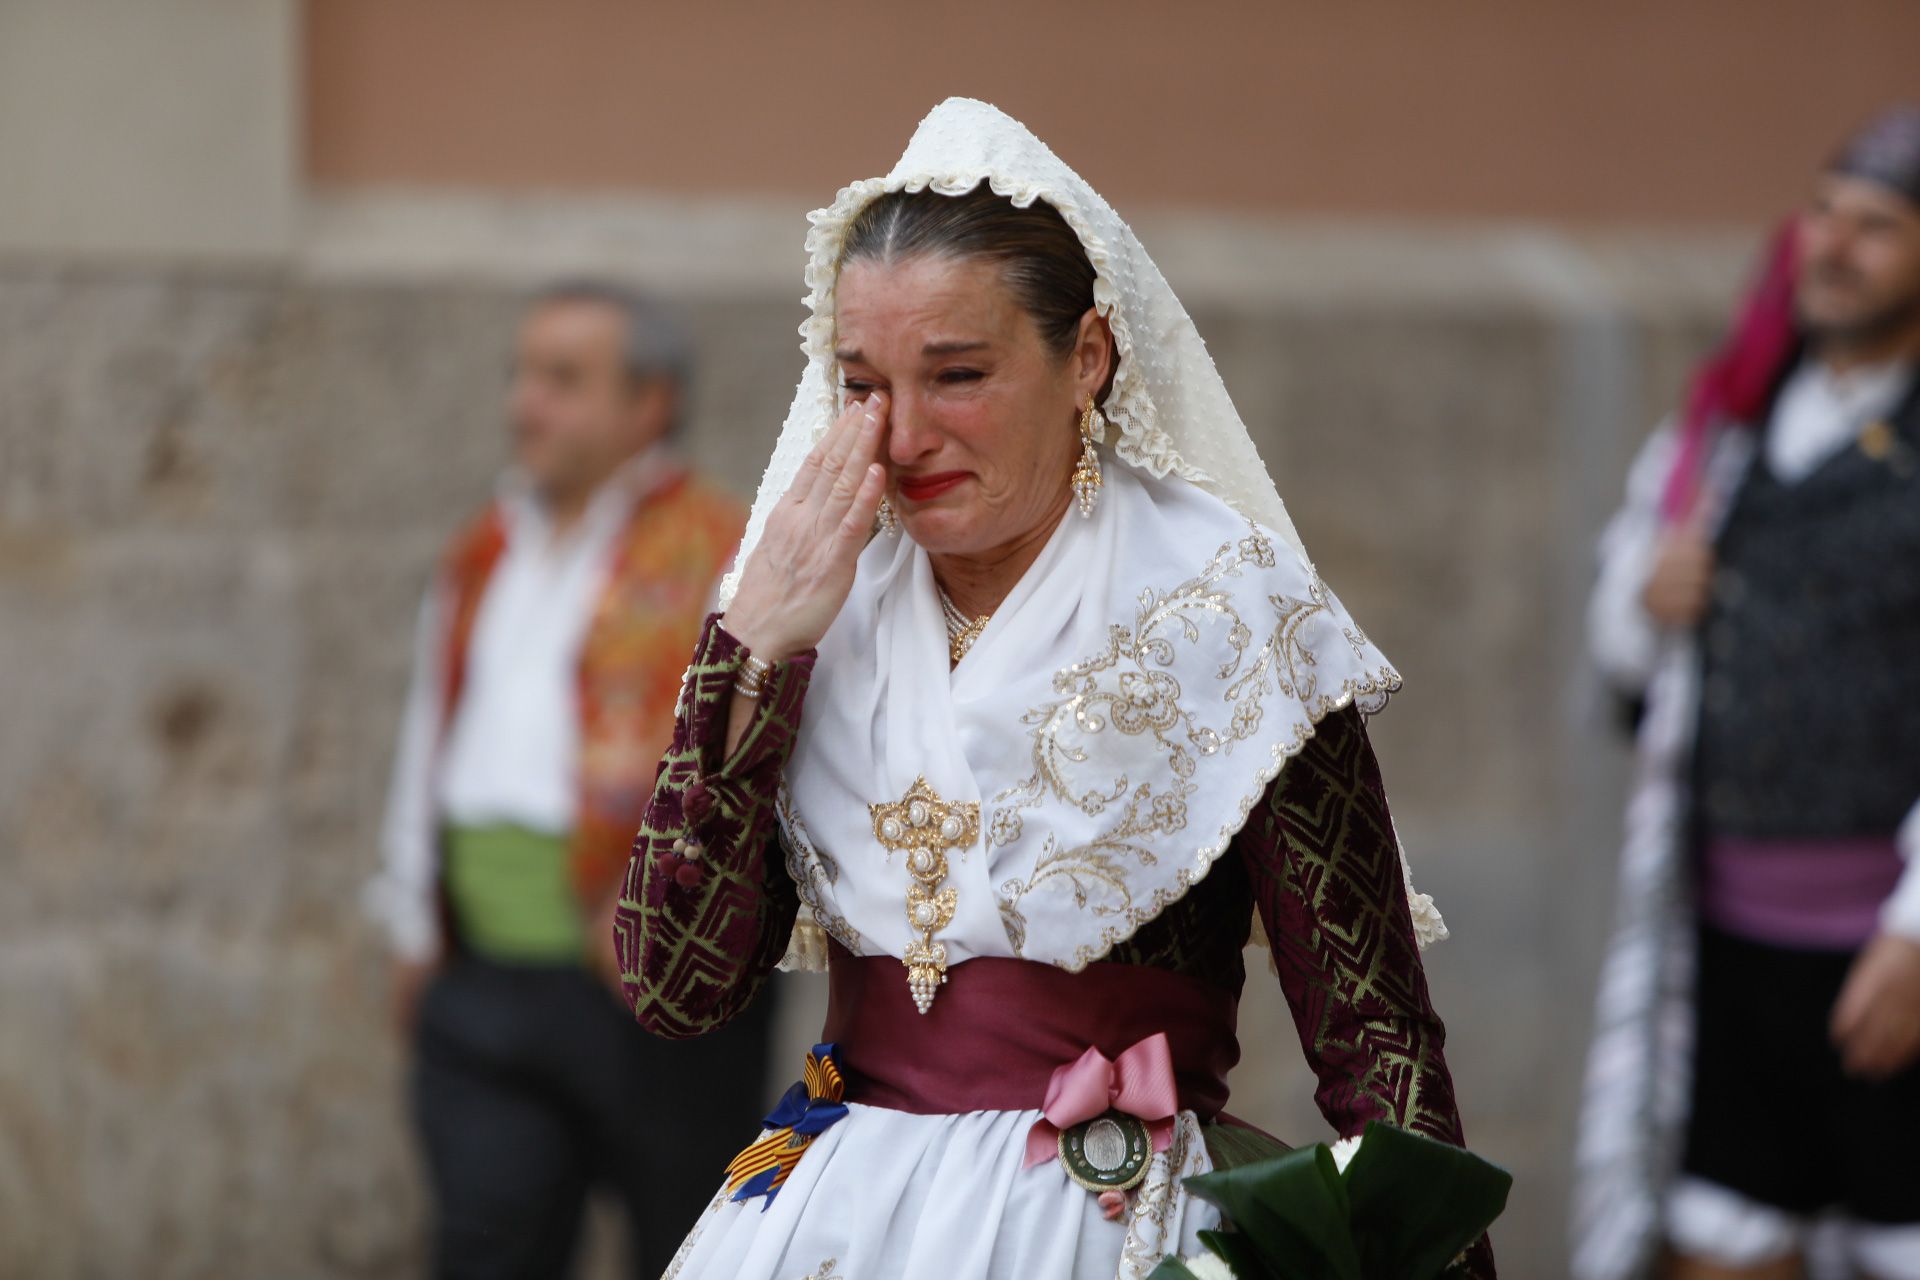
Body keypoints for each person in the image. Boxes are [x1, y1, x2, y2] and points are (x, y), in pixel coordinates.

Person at [611, 99, 1494, 1280]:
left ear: (1087, 356)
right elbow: (675, 987)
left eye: (959, 374)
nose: (905, 436)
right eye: (863, 384)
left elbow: (1374, 1034)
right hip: (831, 1211)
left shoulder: (1226, 608)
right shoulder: (813, 601)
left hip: (1104, 1218)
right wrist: (749, 658)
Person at [1574, 106, 1920, 1280]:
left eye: (1877, 227)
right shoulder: (1724, 431)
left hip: (1892, 956)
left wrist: (1919, 934)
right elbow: (1621, 651)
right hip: (1725, 950)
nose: (1833, 245)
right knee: (1720, 1239)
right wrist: (1646, 595)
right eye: (1824, 214)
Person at [366, 281, 772, 1278]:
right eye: (522, 374)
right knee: (486, 1241)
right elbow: (433, 731)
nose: (524, 403)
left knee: (681, 1245)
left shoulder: (732, 553)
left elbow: (764, 769)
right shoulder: (485, 548)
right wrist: (416, 912)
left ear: (651, 401)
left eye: (562, 379)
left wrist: (670, 906)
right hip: (484, 976)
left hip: (652, 987)